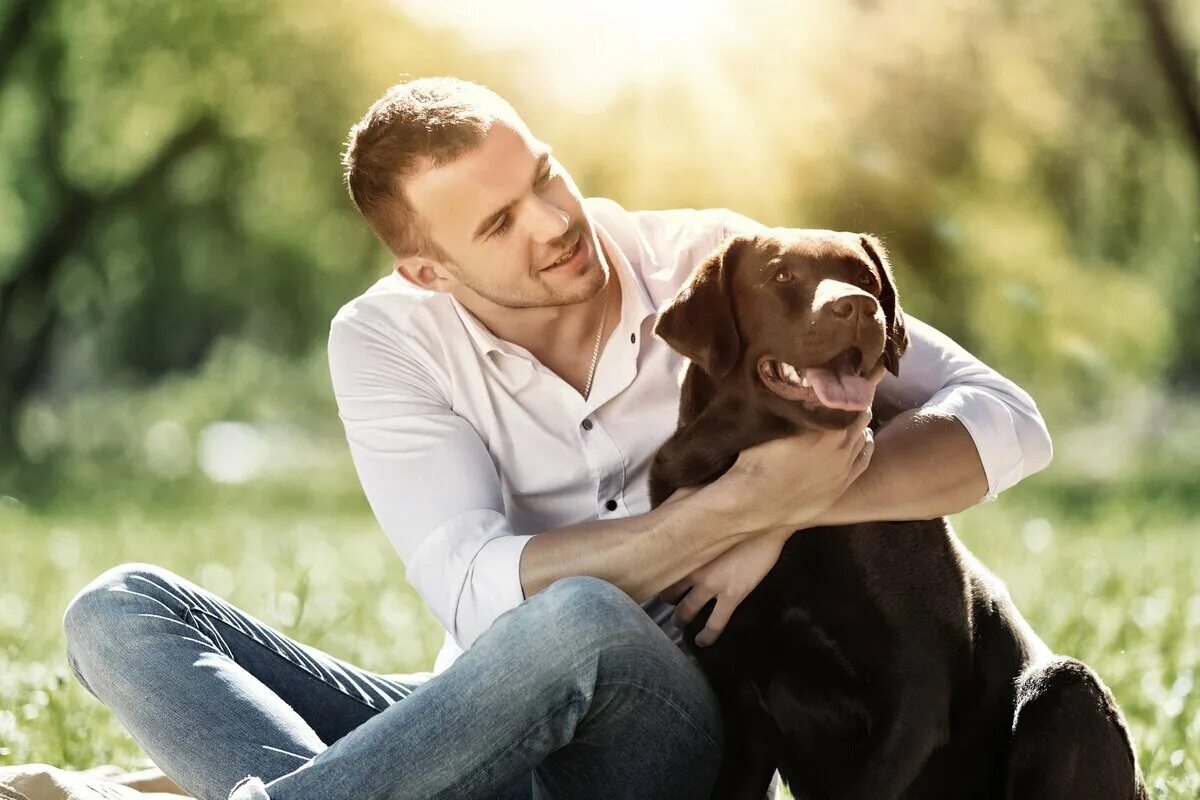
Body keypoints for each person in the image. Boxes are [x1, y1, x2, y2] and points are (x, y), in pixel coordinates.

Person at [62, 77, 1053, 800]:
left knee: (579, 615)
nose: (552, 220)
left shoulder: (717, 270)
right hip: (474, 713)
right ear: (430, 271)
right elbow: (471, 582)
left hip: (664, 729)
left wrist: (806, 497)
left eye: (544, 174)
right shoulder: (384, 340)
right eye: (499, 222)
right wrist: (730, 511)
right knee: (117, 610)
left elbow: (1007, 417)